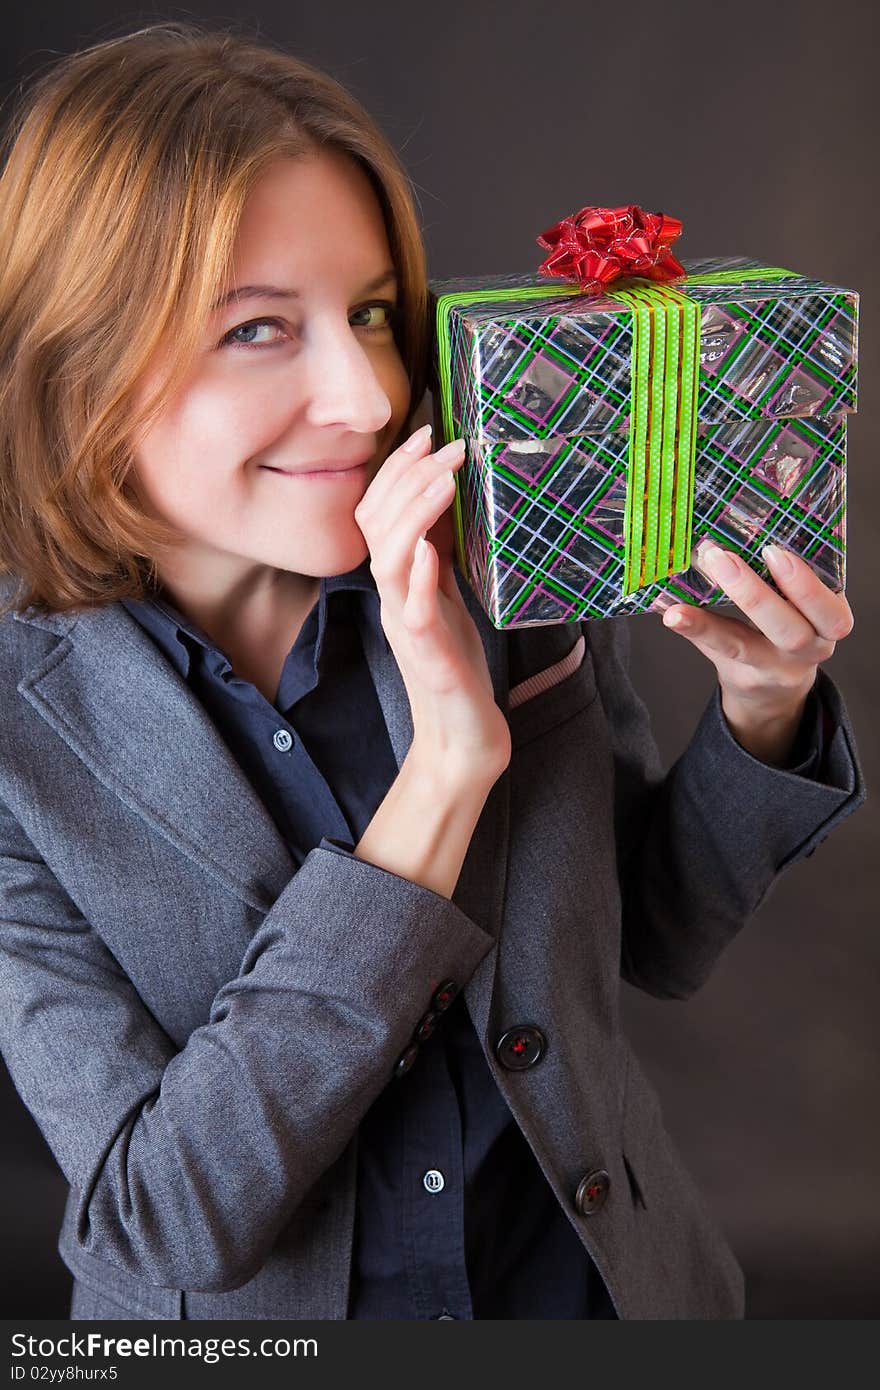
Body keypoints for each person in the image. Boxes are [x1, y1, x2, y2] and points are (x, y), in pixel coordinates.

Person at [0, 22, 866, 1323]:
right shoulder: (24, 732)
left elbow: (660, 936)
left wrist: (762, 701)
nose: (364, 396)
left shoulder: (502, 554)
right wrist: (445, 776)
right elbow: (161, 1216)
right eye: (256, 330)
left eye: (367, 315)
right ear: (78, 367)